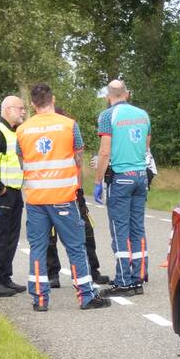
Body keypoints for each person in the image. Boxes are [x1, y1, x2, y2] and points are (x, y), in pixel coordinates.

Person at [15, 83, 110, 311]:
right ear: (53, 99)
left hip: (36, 199)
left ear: (32, 104)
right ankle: (86, 296)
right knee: (76, 247)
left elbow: (22, 162)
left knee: (37, 247)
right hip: (63, 197)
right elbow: (78, 158)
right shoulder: (69, 126)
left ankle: (39, 298)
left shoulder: (22, 130)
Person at [94, 80, 151, 296]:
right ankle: (138, 278)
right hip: (140, 176)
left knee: (119, 230)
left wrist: (98, 181)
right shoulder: (143, 115)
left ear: (109, 96)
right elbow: (146, 145)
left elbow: (105, 151)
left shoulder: (108, 116)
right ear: (126, 94)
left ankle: (123, 281)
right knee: (137, 228)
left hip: (120, 178)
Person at [46, 106, 109, 288]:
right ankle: (52, 274)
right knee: (50, 236)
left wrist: (80, 190)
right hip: (53, 192)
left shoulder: (72, 133)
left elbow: (79, 163)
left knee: (87, 232)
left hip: (75, 192)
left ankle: (92, 271)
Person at [0, 95, 28, 297]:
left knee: (11, 237)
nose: (23, 112)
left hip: (14, 191)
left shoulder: (13, 131)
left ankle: (5, 278)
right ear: (9, 109)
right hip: (2, 193)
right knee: (0, 237)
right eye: (20, 108)